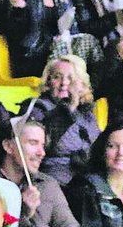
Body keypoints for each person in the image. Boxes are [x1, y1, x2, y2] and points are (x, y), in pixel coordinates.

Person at [18, 55, 100, 188]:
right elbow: (45, 144)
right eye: (57, 77)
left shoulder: (87, 114)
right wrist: (70, 107)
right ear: (48, 81)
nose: (64, 83)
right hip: (52, 183)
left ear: (81, 84)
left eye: (71, 78)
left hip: (86, 184)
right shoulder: (36, 108)